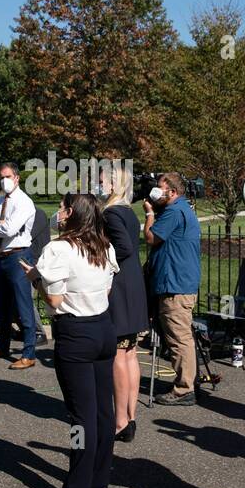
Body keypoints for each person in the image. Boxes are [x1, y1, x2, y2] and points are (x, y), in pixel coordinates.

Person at [22, 193, 118, 488]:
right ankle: (98, 482)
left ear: (72, 213)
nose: (59, 212)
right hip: (104, 328)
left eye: (64, 208)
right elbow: (106, 290)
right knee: (104, 412)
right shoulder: (104, 245)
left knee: (81, 419)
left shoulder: (59, 249)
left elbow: (55, 301)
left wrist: (36, 278)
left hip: (76, 333)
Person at [144, 173, 203, 406]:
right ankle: (187, 381)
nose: (155, 192)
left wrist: (149, 212)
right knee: (180, 336)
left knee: (179, 338)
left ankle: (184, 388)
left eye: (160, 188)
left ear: (172, 192)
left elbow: (150, 237)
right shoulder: (180, 209)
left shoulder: (173, 212)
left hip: (175, 286)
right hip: (179, 283)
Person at [99, 166, 148, 442]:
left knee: (120, 355)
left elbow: (124, 248)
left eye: (104, 180)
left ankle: (120, 420)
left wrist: (101, 259)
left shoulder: (111, 212)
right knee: (129, 354)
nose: (100, 184)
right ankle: (129, 416)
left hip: (120, 287)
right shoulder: (128, 211)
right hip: (133, 285)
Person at [0, 161, 39, 370]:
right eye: (1, 177)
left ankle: (28, 353)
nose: (4, 181)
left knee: (23, 305)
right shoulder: (0, 200)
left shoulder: (23, 202)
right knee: (2, 305)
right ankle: (1, 345)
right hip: (2, 256)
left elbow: (10, 229)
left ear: (16, 178)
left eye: (7, 176)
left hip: (18, 256)